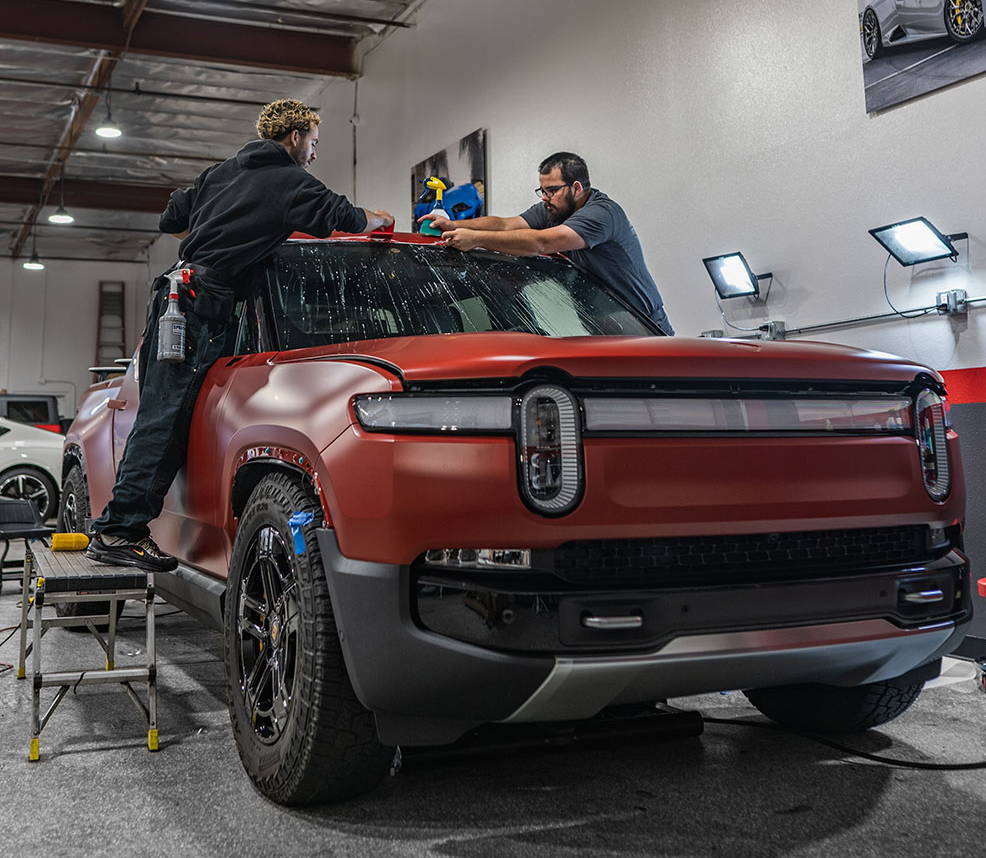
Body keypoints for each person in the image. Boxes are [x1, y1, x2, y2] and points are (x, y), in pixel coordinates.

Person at [88, 98, 395, 572]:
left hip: (175, 295)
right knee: (164, 419)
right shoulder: (289, 182)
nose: (314, 153)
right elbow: (347, 218)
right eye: (313, 143)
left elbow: (172, 217)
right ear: (295, 137)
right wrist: (382, 220)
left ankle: (122, 528)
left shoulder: (221, 172)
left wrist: (214, 234)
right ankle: (118, 531)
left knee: (163, 415)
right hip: (200, 303)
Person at [425, 151, 672, 333]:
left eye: (551, 190)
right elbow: (505, 224)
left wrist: (475, 239)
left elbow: (542, 243)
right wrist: (455, 225)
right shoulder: (553, 210)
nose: (545, 198)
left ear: (576, 188)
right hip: (604, 332)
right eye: (542, 191)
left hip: (645, 326)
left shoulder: (602, 214)